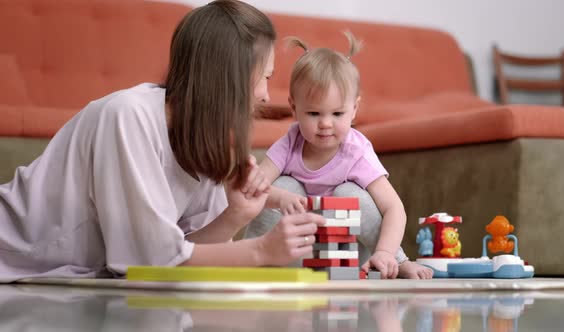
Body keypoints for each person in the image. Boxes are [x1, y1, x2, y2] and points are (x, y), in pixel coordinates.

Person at [0, 0, 324, 282]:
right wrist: (261, 251)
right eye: (265, 77)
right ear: (230, 76)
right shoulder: (127, 115)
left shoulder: (205, 139)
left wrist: (235, 216)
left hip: (64, 283)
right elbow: (148, 264)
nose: (266, 95)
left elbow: (181, 255)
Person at [244, 32, 433, 279]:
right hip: (299, 254)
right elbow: (257, 184)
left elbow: (394, 207)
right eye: (313, 114)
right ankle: (249, 261)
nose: (325, 124)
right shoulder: (290, 142)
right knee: (283, 186)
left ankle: (396, 262)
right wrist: (279, 196)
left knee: (351, 194)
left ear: (354, 109)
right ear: (294, 108)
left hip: (351, 255)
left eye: (337, 114)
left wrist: (386, 252)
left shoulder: (356, 151)